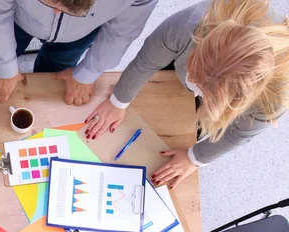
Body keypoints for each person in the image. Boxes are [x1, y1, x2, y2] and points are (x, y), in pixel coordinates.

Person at [85, 0, 289, 188]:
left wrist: (194, 158)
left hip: (236, 97)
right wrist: (118, 102)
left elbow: (238, 135)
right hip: (192, 42)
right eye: (192, 71)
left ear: (234, 102)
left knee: (191, 126)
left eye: (201, 87)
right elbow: (147, 60)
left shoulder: (275, 98)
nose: (189, 82)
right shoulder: (193, 23)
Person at [0, 0, 158, 105]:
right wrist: (3, 67)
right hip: (17, 17)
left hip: (81, 33)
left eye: (66, 8)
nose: (55, 11)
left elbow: (121, 32)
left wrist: (88, 73)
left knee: (54, 73)